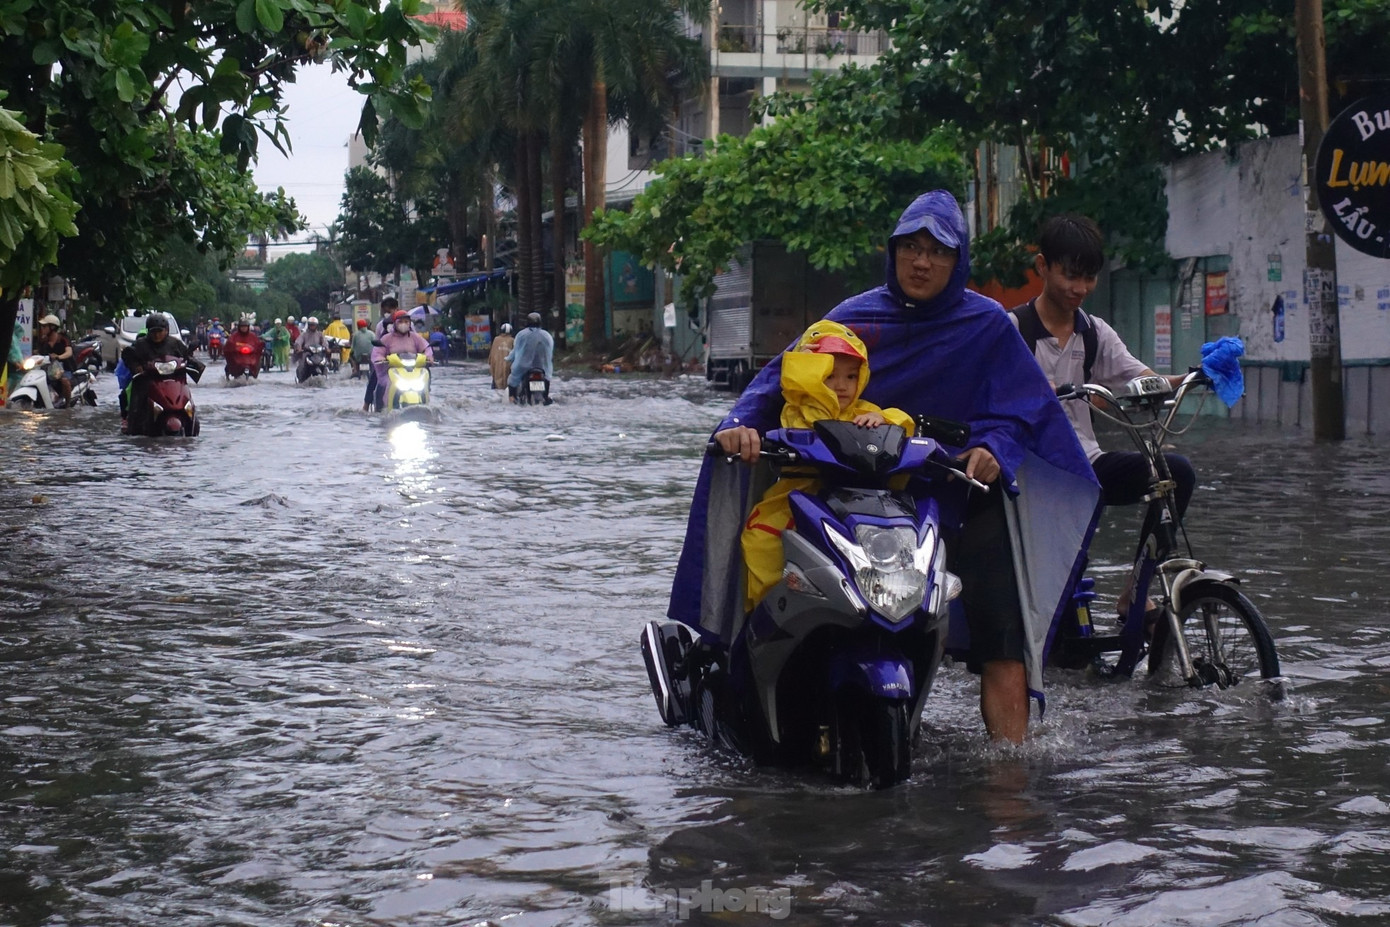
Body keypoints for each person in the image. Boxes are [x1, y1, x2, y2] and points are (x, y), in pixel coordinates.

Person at [682, 190, 1099, 744]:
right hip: (861, 495)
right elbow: (779, 382)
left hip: (960, 493)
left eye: (937, 251)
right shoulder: (854, 320)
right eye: (910, 248)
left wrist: (994, 448)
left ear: (958, 260)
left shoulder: (987, 325)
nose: (921, 262)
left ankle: (1010, 774)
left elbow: (1025, 409)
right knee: (796, 579)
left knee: (1005, 641)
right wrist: (740, 426)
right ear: (893, 252)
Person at [1009, 215, 1196, 622]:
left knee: (1175, 473)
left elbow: (1143, 379)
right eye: (1071, 276)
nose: (1080, 289)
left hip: (1086, 464)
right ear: (1042, 267)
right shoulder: (1012, 330)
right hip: (1028, 476)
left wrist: (1195, 377)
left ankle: (1136, 592)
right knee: (1059, 606)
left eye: (1089, 278)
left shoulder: (1095, 333)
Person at [740, 320, 915, 611]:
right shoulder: (799, 410)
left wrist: (884, 421)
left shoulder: (866, 411)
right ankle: (770, 609)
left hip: (859, 501)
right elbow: (804, 420)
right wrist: (805, 372)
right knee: (761, 538)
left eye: (851, 376)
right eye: (828, 375)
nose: (841, 385)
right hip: (798, 497)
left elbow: (902, 423)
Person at [121, 314, 202, 433]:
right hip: (148, 382)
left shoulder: (175, 343)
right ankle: (134, 426)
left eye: (160, 331)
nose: (157, 335)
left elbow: (186, 356)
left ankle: (190, 424)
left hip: (174, 382)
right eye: (153, 331)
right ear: (148, 331)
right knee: (136, 401)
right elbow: (128, 356)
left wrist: (191, 364)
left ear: (166, 330)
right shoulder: (140, 344)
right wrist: (137, 367)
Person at [371, 309, 432, 410]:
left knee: (424, 381)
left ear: (410, 323)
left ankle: (426, 404)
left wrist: (428, 356)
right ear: (395, 323)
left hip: (413, 371)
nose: (403, 324)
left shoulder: (415, 337)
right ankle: (383, 407)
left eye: (406, 322)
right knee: (385, 384)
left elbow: (426, 348)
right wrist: (380, 358)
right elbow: (378, 351)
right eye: (400, 322)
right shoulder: (387, 338)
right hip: (392, 371)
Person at [506, 312, 554, 404]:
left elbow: (515, 350)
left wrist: (508, 358)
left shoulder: (521, 335)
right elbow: (550, 351)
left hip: (523, 367)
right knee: (547, 378)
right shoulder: (547, 335)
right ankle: (545, 397)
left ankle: (512, 398)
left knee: (512, 380)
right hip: (543, 367)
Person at [363, 297, 399, 411]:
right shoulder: (381, 325)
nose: (387, 314)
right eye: (385, 311)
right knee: (374, 378)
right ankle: (366, 404)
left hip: (405, 360)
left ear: (396, 309)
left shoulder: (407, 323)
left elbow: (416, 342)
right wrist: (379, 358)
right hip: (386, 361)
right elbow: (377, 345)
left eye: (389, 311)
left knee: (424, 372)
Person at [32, 314, 75, 406]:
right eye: (42, 326)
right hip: (49, 370)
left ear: (52, 327)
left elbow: (69, 352)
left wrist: (58, 357)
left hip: (65, 369)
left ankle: (67, 405)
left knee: (65, 381)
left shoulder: (63, 339)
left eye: (44, 326)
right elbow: (39, 353)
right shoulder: (44, 341)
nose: (42, 329)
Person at [294, 316, 328, 381]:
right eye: (311, 325)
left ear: (316, 325)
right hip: (307, 354)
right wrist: (299, 348)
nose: (312, 326)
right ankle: (301, 379)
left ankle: (325, 377)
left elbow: (324, 342)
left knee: (325, 363)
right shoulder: (304, 334)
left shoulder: (320, 334)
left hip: (318, 354)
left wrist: (326, 348)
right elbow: (298, 342)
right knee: (302, 365)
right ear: (308, 325)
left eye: (314, 325)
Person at [489, 322, 515, 390]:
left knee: (497, 387)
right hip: (509, 369)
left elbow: (491, 356)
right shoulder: (512, 340)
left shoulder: (496, 340)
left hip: (497, 370)